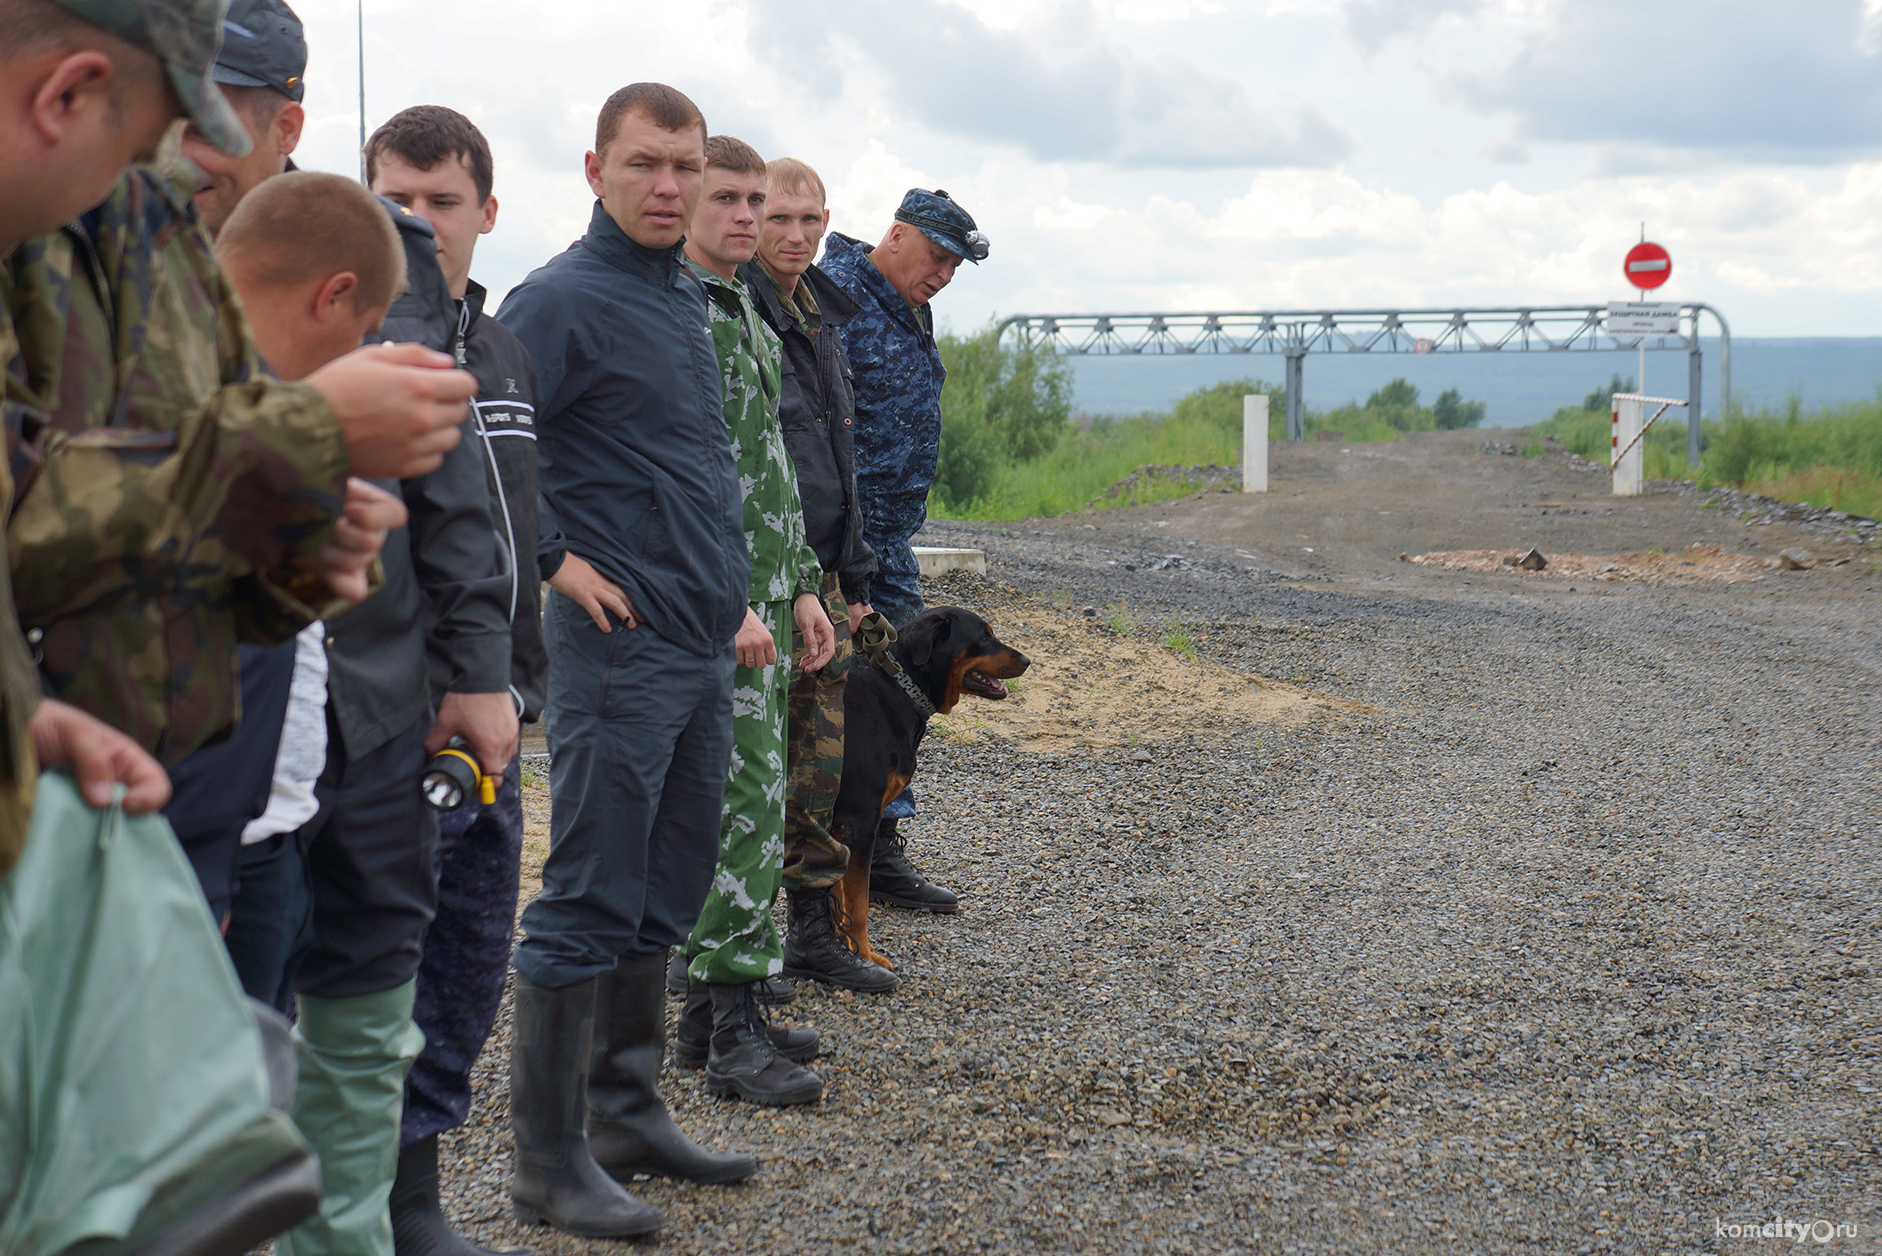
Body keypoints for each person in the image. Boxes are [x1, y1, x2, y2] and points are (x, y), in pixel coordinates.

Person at [496, 81, 755, 1239]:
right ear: (595, 167)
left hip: (698, 647)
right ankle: (545, 1164)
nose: (669, 185)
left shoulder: (681, 298)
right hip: (614, 651)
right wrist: (554, 558)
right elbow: (483, 437)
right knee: (587, 893)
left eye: (684, 165)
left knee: (669, 881)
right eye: (647, 163)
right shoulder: (557, 298)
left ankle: (624, 1109)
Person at [366, 103, 549, 1256]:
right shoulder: (354, 334)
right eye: (399, 199)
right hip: (395, 714)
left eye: (444, 201)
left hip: (502, 709)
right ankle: (367, 1208)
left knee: (471, 958)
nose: (422, 222)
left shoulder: (503, 347)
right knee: (375, 967)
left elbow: (524, 515)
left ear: (488, 211)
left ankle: (417, 1192)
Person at [677, 134, 833, 1105]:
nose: (745, 217)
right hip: (718, 603)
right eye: (726, 200)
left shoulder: (743, 306)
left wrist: (804, 582)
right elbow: (683, 475)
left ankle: (711, 1010)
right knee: (734, 813)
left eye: (753, 200)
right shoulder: (678, 312)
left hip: (771, 595)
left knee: (757, 799)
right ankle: (730, 1030)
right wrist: (729, 594)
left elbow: (766, 470)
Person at [742, 156, 895, 994]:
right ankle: (738, 947)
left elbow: (840, 453)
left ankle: (808, 933)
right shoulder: (736, 310)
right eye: (779, 218)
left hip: (827, 576)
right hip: (768, 572)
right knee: (755, 768)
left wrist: (854, 572)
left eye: (811, 222)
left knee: (818, 765)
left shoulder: (820, 314)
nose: (795, 236)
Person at [820, 186, 989, 916]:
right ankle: (814, 874)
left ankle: (879, 855)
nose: (943, 275)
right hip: (838, 548)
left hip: (891, 544)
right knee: (832, 708)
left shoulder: (906, 306)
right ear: (895, 236)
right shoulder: (838, 299)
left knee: (896, 702)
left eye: (954, 267)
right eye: (937, 257)